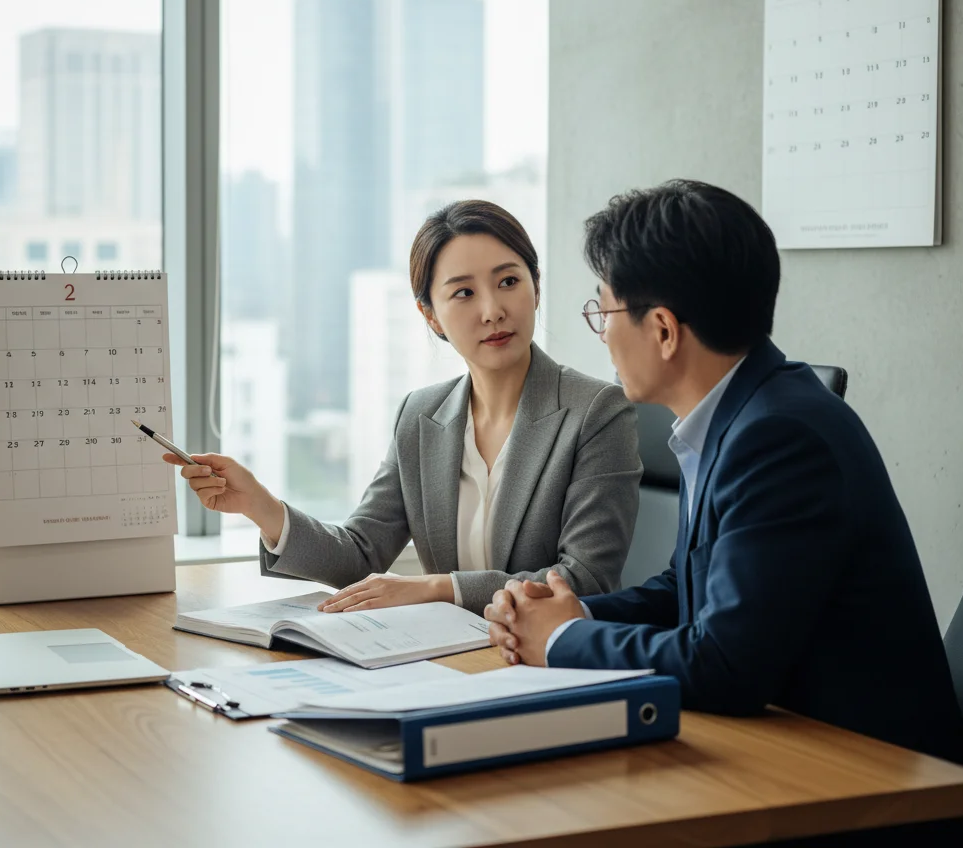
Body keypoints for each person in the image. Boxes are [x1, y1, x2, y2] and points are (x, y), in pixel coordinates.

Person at [486, 180, 963, 766]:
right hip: (793, 750)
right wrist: (570, 613)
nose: (603, 332)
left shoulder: (779, 437)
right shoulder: (736, 411)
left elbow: (728, 666)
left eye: (604, 309)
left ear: (662, 329)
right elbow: (686, 588)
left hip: (869, 780)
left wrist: (561, 640)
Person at [168, 199, 642, 616]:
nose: (493, 309)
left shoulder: (596, 412)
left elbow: (585, 580)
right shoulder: (421, 415)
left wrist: (437, 589)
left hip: (545, 667)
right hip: (444, 662)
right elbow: (359, 556)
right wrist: (260, 506)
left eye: (509, 281)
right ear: (430, 315)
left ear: (535, 287)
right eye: (464, 292)